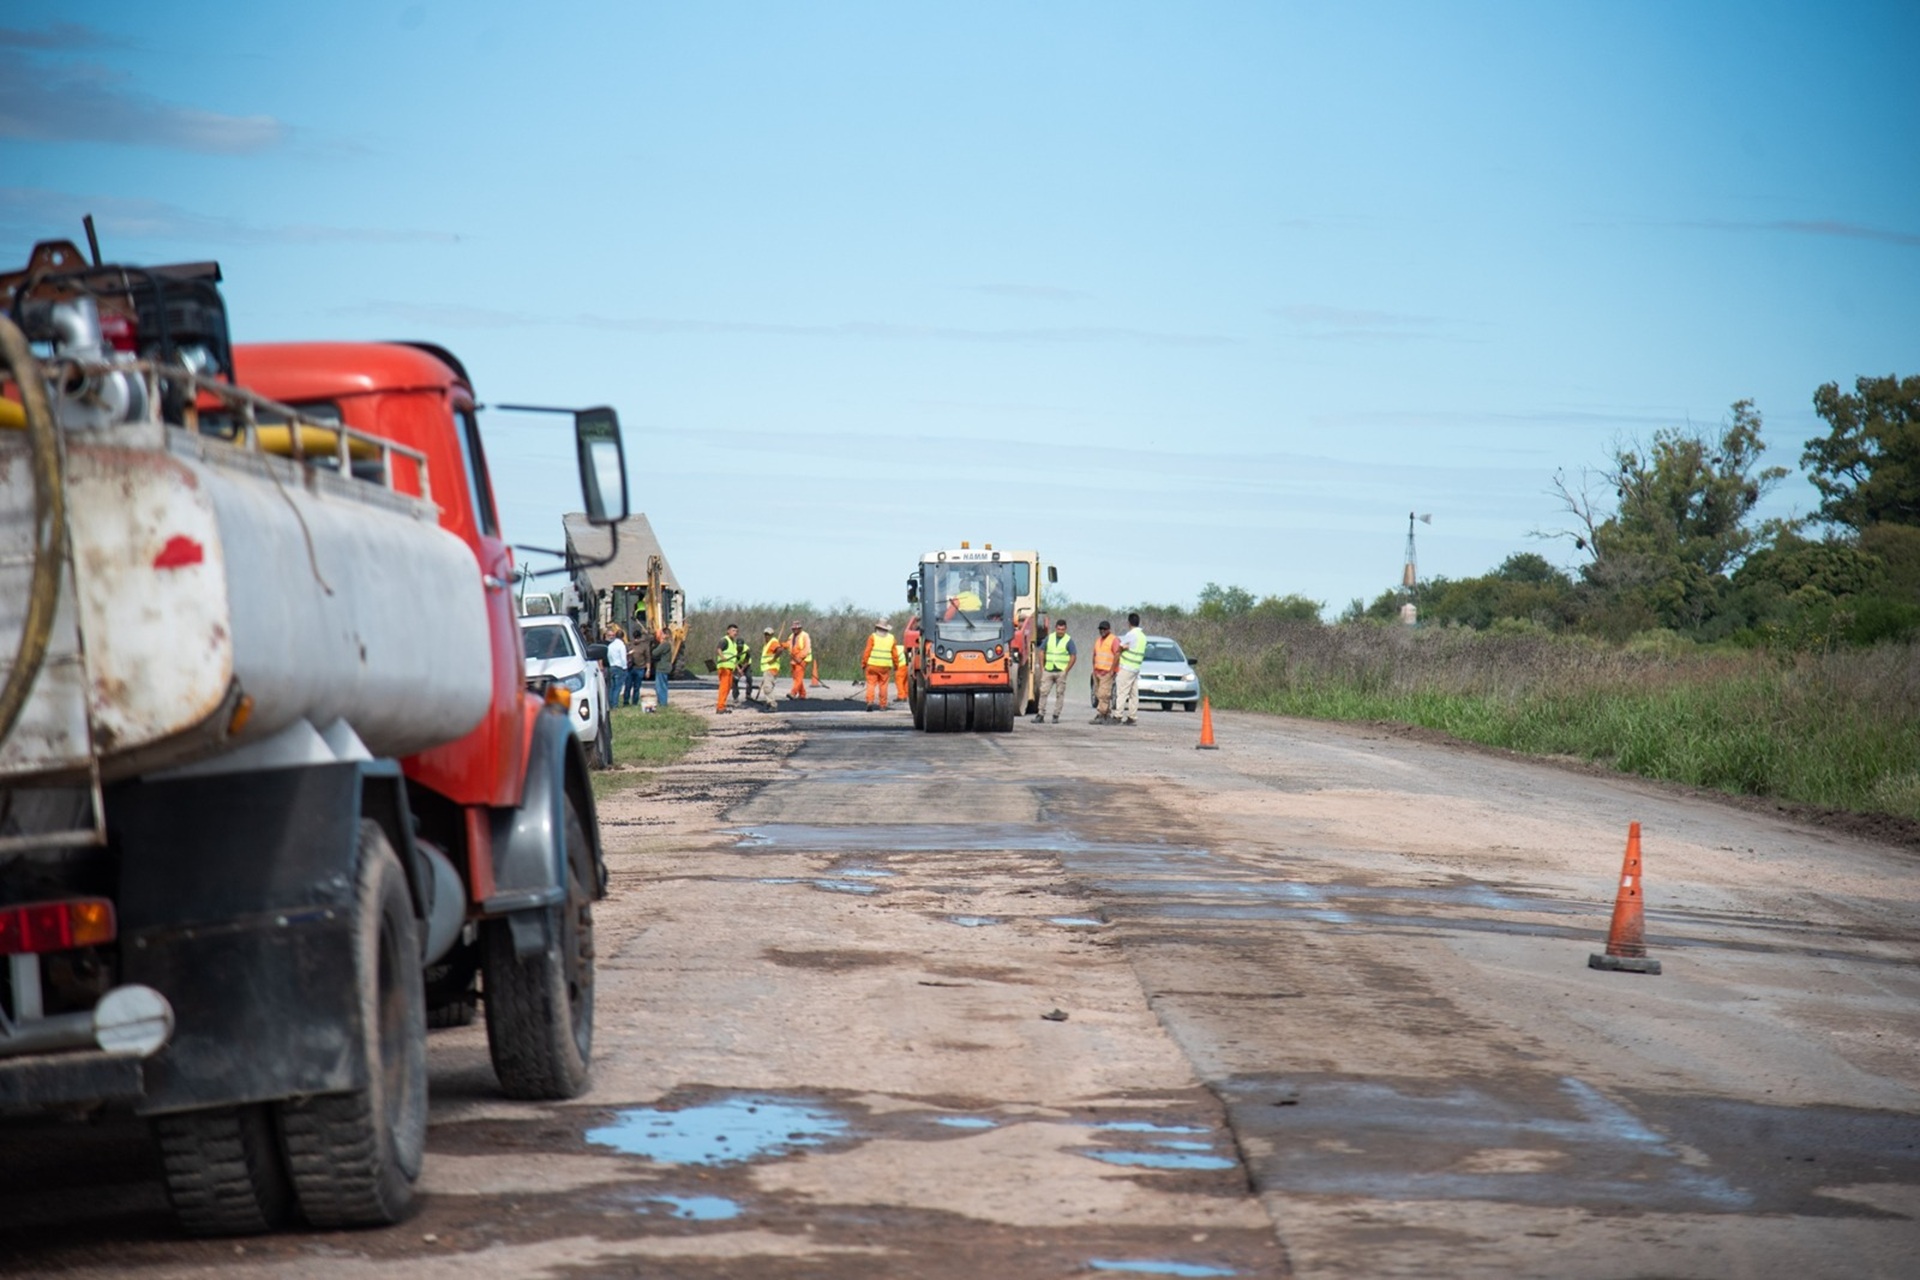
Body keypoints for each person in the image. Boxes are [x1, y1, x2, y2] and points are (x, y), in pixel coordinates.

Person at [1034, 617, 1076, 724]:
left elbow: (1073, 656)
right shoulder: (1050, 638)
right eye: (1058, 629)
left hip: (1060, 671)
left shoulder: (1068, 640)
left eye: (1062, 629)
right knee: (1043, 692)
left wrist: (1066, 670)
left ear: (1065, 629)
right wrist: (1042, 667)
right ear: (1055, 628)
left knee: (1060, 693)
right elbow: (1041, 651)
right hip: (1048, 670)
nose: (1060, 631)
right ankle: (1040, 714)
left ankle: (1056, 715)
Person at [1114, 612, 1147, 725]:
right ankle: (1132, 716)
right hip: (1136, 668)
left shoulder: (1131, 634)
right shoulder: (1143, 636)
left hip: (1127, 667)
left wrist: (1114, 666)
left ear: (1129, 623)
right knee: (1134, 694)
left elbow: (1120, 648)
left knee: (1122, 692)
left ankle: (1118, 715)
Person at [860, 619, 898, 711]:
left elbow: (867, 652)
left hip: (872, 665)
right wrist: (896, 665)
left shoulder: (872, 637)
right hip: (885, 666)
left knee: (871, 684)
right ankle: (883, 705)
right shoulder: (891, 638)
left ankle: (869, 702)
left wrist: (863, 663)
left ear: (877, 627)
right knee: (883, 685)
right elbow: (895, 654)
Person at [1089, 619, 1120, 723]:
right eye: (1101, 629)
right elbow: (1094, 655)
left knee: (1104, 694)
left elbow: (1117, 654)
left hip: (1107, 672)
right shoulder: (1098, 640)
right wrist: (1094, 669)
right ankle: (1106, 714)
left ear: (1109, 629)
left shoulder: (1114, 640)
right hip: (1097, 671)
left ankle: (1101, 714)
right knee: (1098, 693)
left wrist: (1112, 670)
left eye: (1104, 629)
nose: (1102, 631)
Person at [714, 623, 744, 713]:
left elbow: (733, 659)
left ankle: (722, 705)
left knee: (727, 688)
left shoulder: (733, 643)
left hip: (730, 668)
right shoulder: (724, 640)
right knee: (724, 687)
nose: (735, 633)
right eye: (733, 630)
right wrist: (722, 657)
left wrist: (738, 669)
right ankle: (720, 707)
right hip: (724, 668)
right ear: (728, 631)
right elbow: (718, 649)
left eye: (736, 631)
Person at [757, 626, 786, 711]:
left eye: (768, 634)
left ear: (772, 634)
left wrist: (773, 659)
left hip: (771, 668)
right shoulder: (767, 644)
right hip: (767, 669)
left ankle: (772, 705)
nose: (767, 636)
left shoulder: (773, 642)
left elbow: (780, 650)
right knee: (768, 687)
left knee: (767, 687)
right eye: (765, 634)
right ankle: (770, 703)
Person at [606, 625, 632, 708]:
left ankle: (610, 703)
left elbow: (609, 656)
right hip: (619, 667)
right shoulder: (621, 645)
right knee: (618, 687)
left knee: (611, 687)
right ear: (623, 637)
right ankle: (615, 704)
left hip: (611, 666)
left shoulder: (610, 645)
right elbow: (623, 658)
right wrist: (625, 668)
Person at [787, 620, 813, 699]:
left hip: (802, 660)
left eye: (796, 629)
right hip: (793, 659)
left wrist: (800, 658)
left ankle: (793, 693)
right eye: (793, 629)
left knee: (798, 677)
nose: (794, 630)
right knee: (796, 677)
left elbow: (807, 648)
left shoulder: (805, 635)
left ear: (800, 628)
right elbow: (788, 645)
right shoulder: (791, 636)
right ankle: (802, 694)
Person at [897, 613, 920, 702]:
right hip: (907, 665)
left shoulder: (897, 648)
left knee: (899, 681)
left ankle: (901, 696)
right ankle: (906, 694)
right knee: (906, 682)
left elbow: (905, 653)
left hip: (902, 666)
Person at [649, 626, 672, 710]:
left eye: (661, 634)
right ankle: (663, 702)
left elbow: (655, 653)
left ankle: (662, 703)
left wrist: (656, 644)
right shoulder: (668, 644)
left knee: (660, 686)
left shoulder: (665, 644)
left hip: (662, 667)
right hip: (665, 667)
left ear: (665, 635)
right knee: (663, 685)